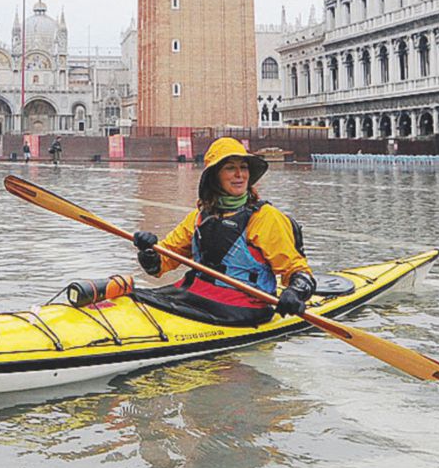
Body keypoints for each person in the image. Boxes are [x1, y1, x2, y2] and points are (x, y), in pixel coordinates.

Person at [131, 137, 314, 327]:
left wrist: (295, 292)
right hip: (195, 293)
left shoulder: (265, 217)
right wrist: (149, 252)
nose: (239, 175)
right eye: (229, 168)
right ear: (215, 177)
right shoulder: (199, 218)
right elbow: (160, 265)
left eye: (243, 167)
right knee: (133, 295)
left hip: (244, 306)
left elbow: (298, 270)